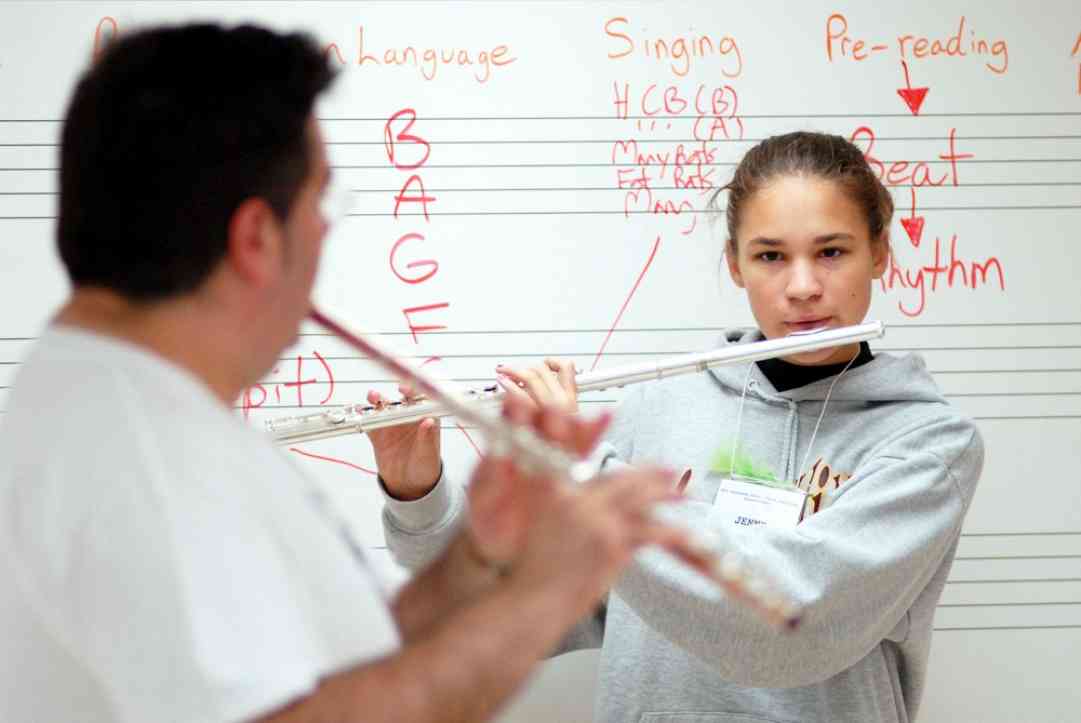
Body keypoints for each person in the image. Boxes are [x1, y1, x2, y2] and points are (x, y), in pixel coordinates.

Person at [0, 23, 708, 723]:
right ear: (255, 239)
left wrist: (477, 556)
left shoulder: (126, 401)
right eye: (323, 202)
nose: (325, 231)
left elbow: (341, 658)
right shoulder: (145, 450)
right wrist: (550, 586)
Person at [375, 131, 984, 722]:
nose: (803, 287)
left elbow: (786, 624)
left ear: (879, 253)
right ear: (737, 265)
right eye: (770, 255)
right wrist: (418, 494)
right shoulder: (651, 409)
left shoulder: (929, 444)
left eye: (832, 251)